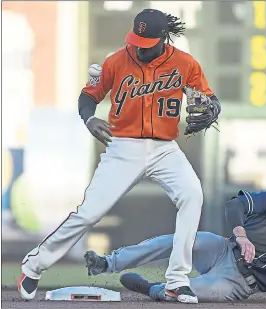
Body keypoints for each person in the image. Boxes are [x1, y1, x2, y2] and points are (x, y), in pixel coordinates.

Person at [18, 9, 221, 304]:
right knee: (90, 213)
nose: (139, 45)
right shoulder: (117, 60)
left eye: (146, 40)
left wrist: (213, 107)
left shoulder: (185, 63)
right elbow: (88, 96)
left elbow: (209, 98)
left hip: (165, 149)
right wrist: (89, 119)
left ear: (163, 38)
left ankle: (177, 280)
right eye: (137, 38)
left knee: (192, 195)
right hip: (124, 146)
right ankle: (32, 267)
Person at [84, 174, 266, 303]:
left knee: (185, 295)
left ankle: (153, 289)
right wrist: (241, 235)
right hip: (223, 250)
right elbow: (235, 204)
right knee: (180, 240)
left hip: (239, 284)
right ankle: (107, 263)